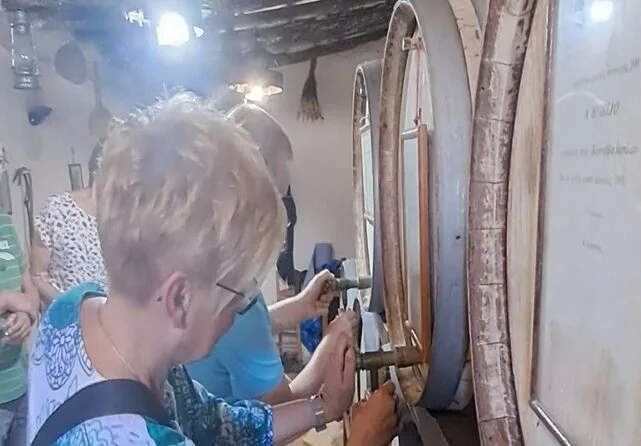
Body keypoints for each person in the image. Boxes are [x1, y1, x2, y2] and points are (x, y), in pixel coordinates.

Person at [27, 93, 396, 445]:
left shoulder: (71, 310)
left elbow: (214, 423)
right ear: (180, 299)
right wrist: (364, 440)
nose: (243, 309)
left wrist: (323, 406)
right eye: (239, 296)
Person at [187, 103, 356, 405]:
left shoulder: (202, 254)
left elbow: (240, 331)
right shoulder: (234, 288)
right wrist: (332, 342)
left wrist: (301, 306)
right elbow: (280, 410)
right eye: (277, 197)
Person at [31, 143, 107, 308]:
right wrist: (72, 307)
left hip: (112, 319)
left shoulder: (126, 218)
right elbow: (37, 275)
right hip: (66, 318)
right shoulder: (58, 210)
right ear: (98, 170)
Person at [0, 211, 39, 446]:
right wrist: (5, 299)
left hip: (21, 386)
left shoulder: (4, 224)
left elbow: (29, 289)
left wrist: (26, 315)